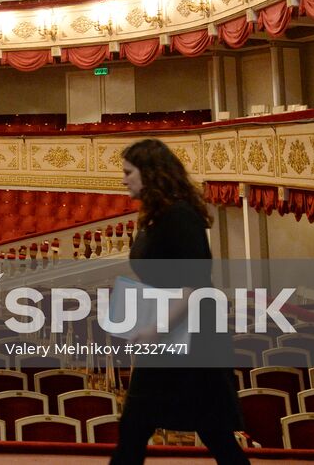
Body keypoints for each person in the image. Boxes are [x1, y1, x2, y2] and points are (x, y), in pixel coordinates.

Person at [110, 138, 249, 465]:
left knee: (211, 430)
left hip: (193, 339)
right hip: (172, 334)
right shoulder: (155, 216)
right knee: (135, 427)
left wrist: (154, 330)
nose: (123, 179)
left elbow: (193, 286)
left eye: (129, 172)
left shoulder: (180, 216)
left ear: (150, 173)